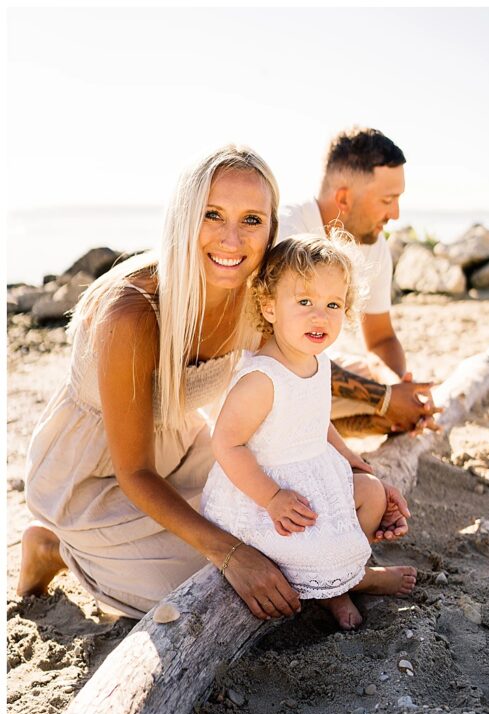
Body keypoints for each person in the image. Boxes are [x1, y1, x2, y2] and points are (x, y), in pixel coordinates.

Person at [18, 145, 411, 621]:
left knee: (295, 529)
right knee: (206, 584)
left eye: (251, 220)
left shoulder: (259, 294)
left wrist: (361, 469)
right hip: (98, 474)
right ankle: (55, 549)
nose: (232, 239)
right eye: (212, 215)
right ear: (185, 217)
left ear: (272, 227)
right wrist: (230, 554)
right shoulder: (133, 312)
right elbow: (135, 471)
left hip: (189, 446)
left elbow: (299, 385)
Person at [201, 232, 415, 630]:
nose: (320, 316)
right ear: (268, 307)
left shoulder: (319, 361)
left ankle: (349, 573)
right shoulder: (262, 379)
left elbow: (317, 420)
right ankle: (343, 586)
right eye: (304, 303)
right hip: (264, 494)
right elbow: (226, 443)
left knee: (370, 494)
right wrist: (273, 497)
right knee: (314, 541)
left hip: (313, 475)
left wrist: (354, 461)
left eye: (333, 304)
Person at [277, 127, 440, 436]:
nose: (395, 213)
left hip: (315, 365)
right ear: (343, 198)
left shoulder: (372, 244)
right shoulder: (287, 232)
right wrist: (385, 398)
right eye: (387, 200)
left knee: (409, 408)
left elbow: (380, 339)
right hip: (265, 372)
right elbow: (285, 354)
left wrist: (398, 388)